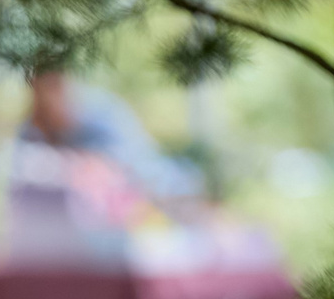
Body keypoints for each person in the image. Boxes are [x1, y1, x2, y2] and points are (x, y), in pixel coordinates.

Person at [19, 71, 207, 203]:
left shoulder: (101, 114)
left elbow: (139, 163)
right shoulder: (31, 130)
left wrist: (94, 165)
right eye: (39, 91)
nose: (46, 100)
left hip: (150, 183)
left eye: (54, 87)